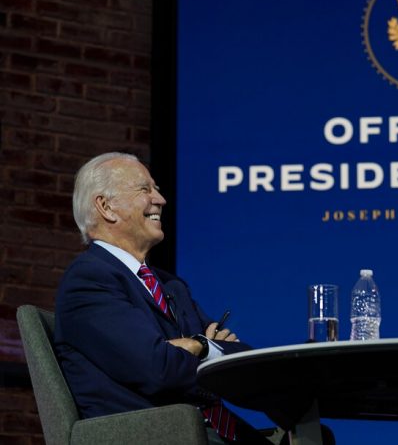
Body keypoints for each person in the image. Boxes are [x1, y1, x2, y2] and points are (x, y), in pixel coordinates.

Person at [54, 152, 279, 444]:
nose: (161, 200)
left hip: (218, 433)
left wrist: (197, 346)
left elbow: (237, 362)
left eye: (156, 189)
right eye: (145, 190)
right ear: (106, 207)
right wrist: (204, 345)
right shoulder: (89, 280)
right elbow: (158, 369)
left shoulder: (171, 285)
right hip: (158, 436)